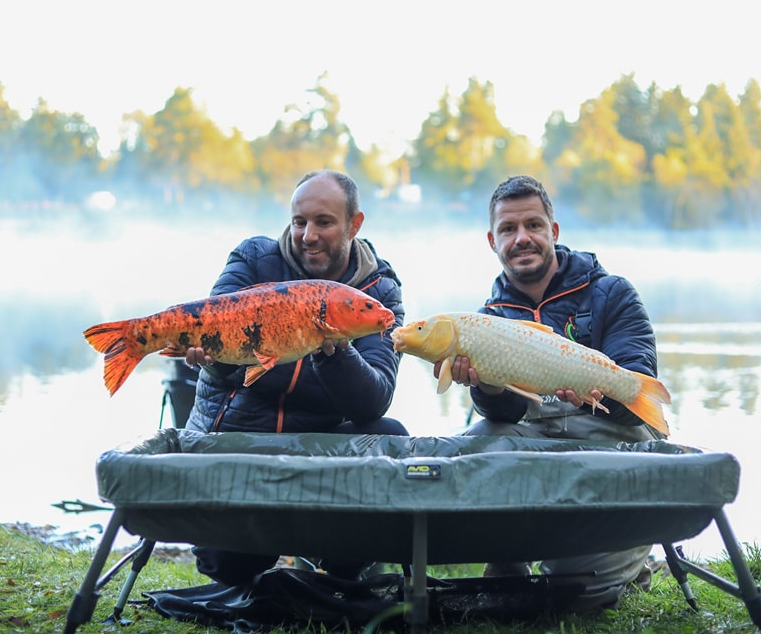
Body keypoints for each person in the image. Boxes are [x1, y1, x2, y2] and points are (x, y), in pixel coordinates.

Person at [437, 174, 664, 612]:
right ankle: (508, 555)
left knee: (573, 594)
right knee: (470, 445)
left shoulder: (611, 292)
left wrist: (594, 392)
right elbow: (502, 413)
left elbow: (637, 396)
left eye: (533, 225)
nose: (522, 238)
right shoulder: (489, 317)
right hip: (536, 444)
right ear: (492, 240)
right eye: (508, 229)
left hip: (608, 440)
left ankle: (629, 556)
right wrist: (484, 385)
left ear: (553, 231)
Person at [184, 169, 407, 587]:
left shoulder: (378, 292)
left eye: (324, 222)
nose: (308, 235)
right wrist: (209, 359)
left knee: (389, 433)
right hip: (237, 437)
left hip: (316, 451)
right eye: (299, 221)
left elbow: (373, 400)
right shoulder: (254, 259)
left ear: (354, 225)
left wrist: (334, 351)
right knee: (227, 568)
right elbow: (213, 329)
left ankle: (335, 559)